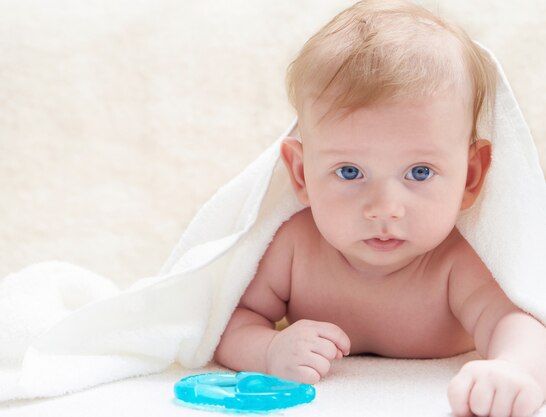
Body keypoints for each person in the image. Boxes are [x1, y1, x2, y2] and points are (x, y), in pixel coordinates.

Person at [213, 1, 546, 416]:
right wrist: (269, 350)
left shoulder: (456, 262)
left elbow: (516, 325)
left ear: (470, 176)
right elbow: (226, 321)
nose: (384, 209)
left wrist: (515, 370)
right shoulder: (295, 248)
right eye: (350, 172)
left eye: (419, 172)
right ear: (301, 174)